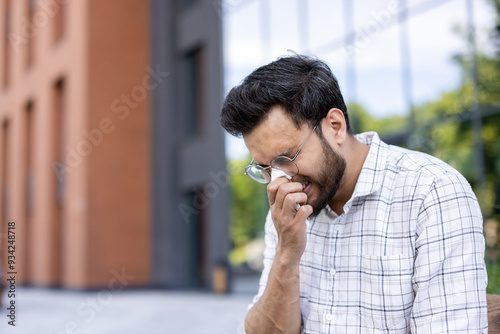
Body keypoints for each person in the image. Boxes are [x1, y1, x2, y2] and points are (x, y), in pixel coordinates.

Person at [220, 54, 488, 333]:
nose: (279, 180)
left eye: (286, 158)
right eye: (265, 169)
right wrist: (287, 253)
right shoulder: (287, 209)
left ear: (335, 127)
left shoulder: (431, 192)